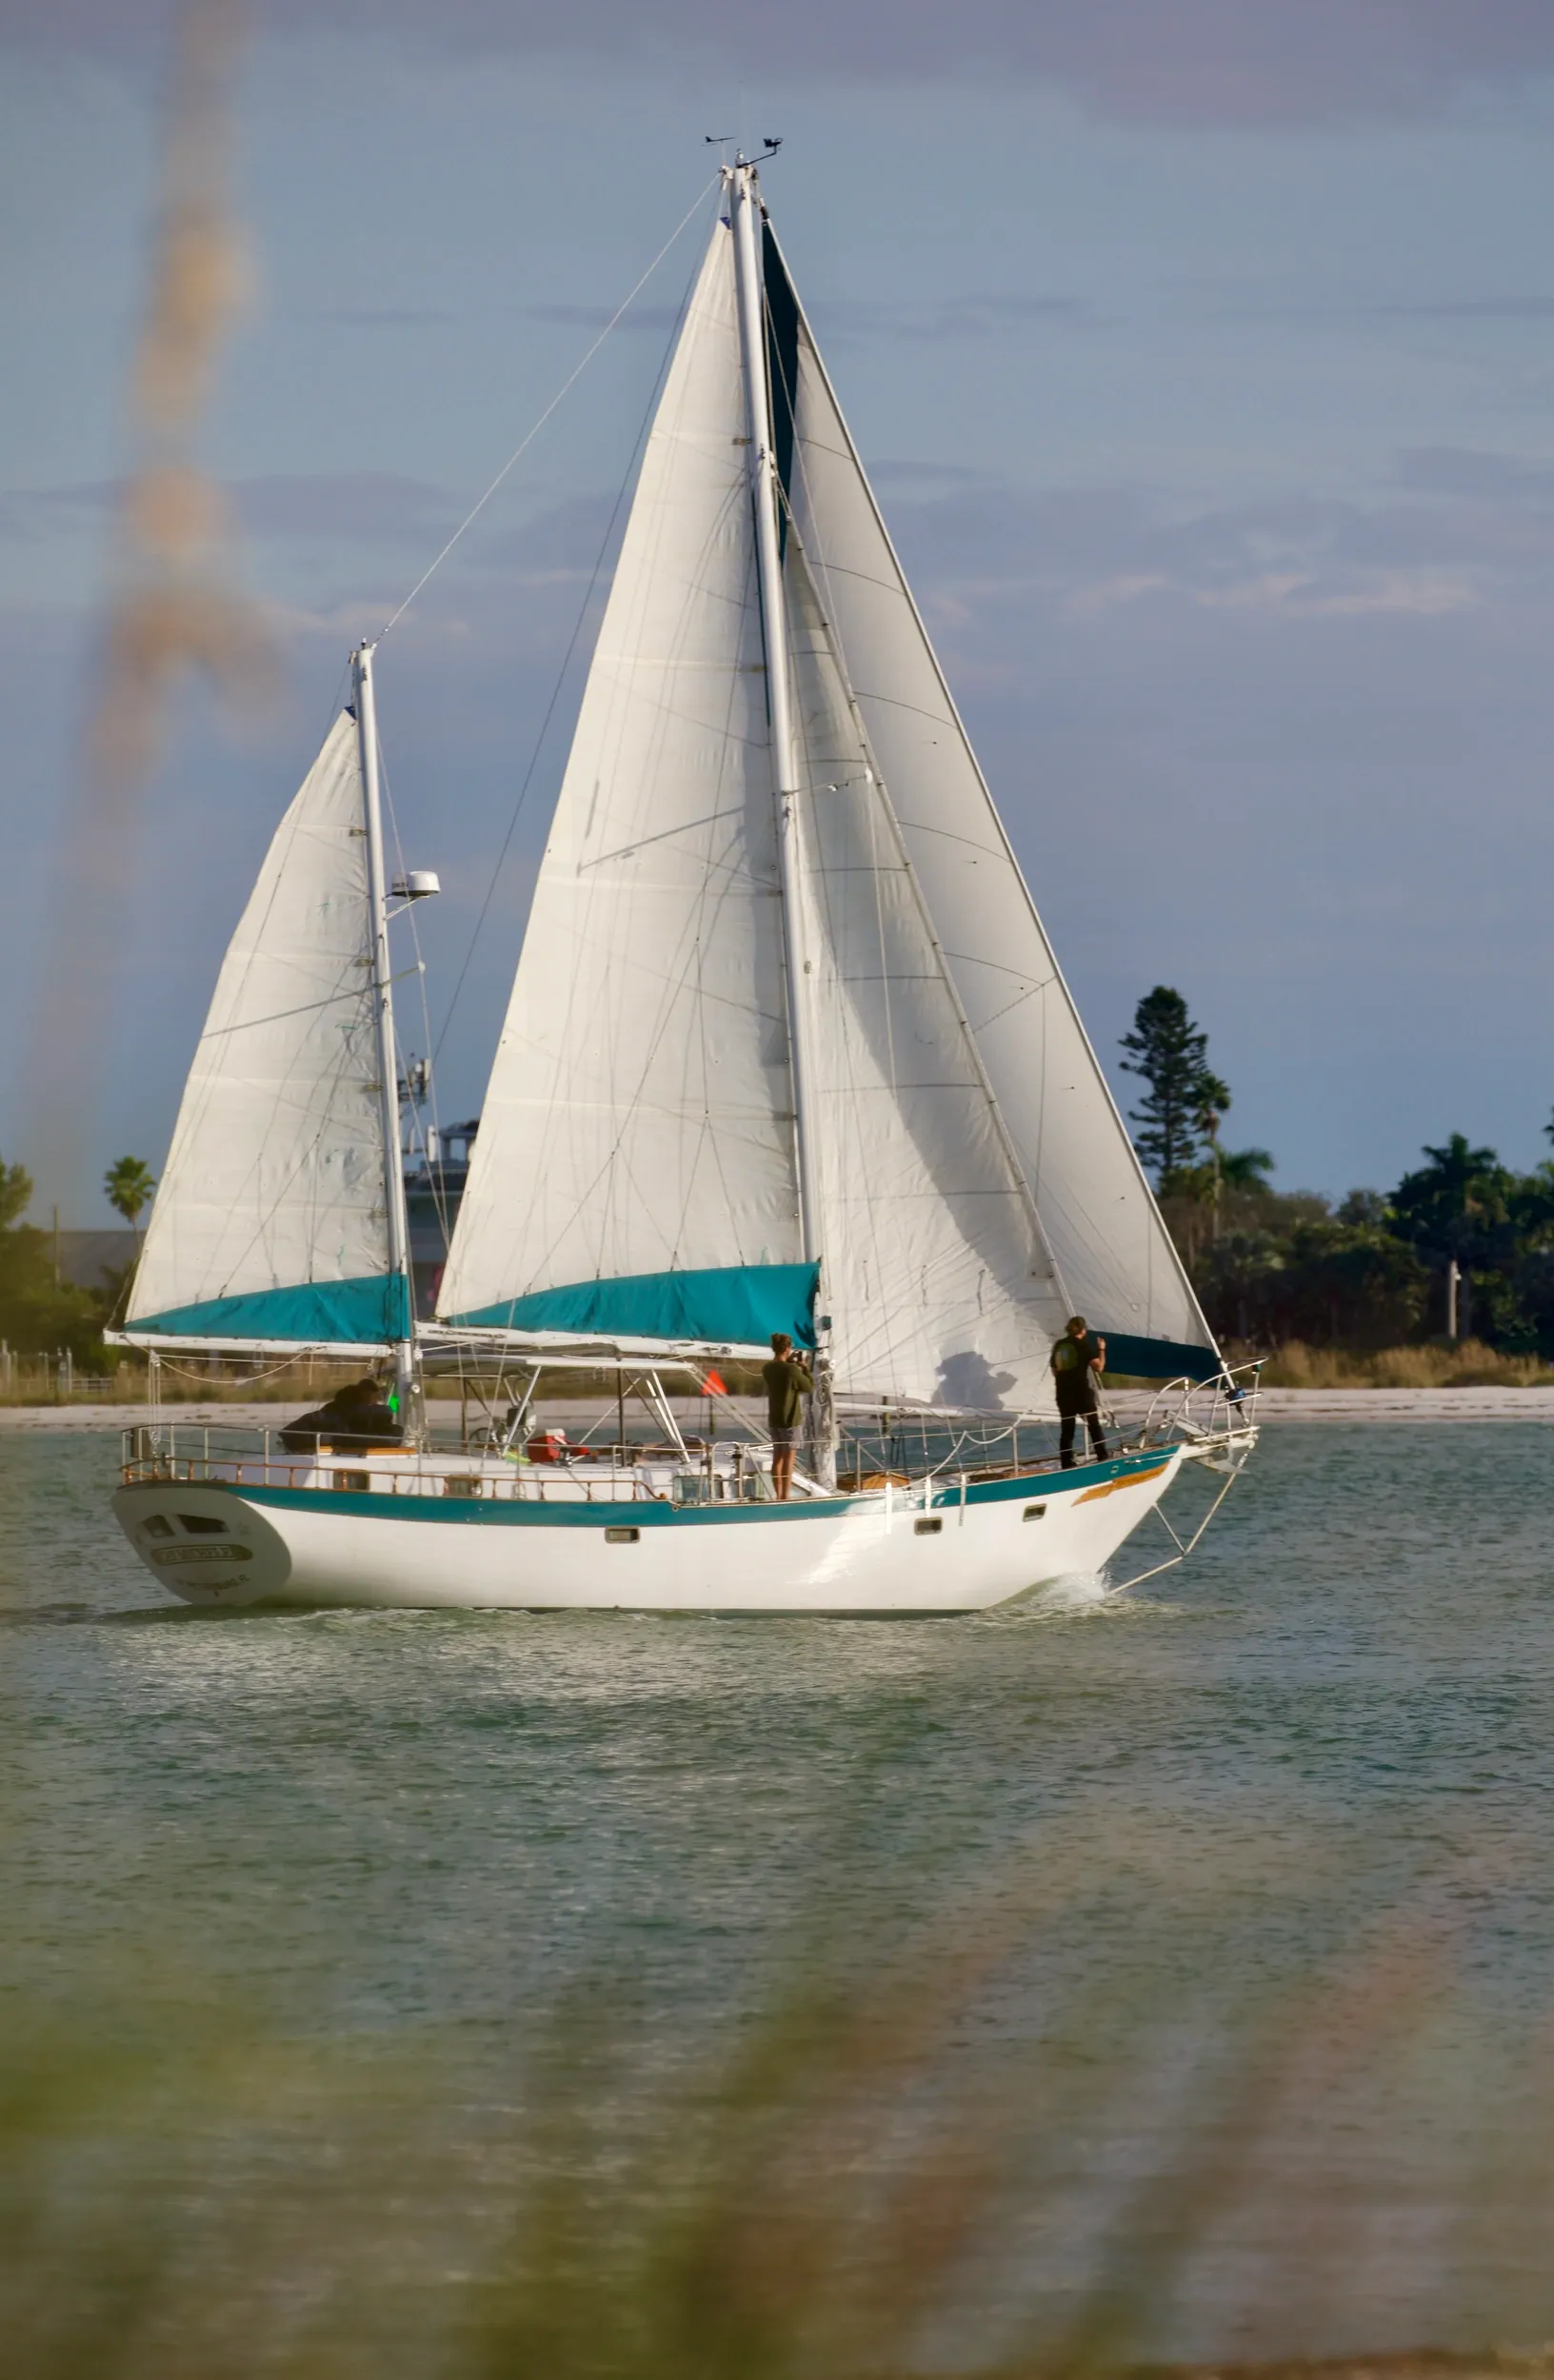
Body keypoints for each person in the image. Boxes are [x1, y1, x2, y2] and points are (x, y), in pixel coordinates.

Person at [280, 1376, 403, 1454]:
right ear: (366, 1394)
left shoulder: (334, 1408)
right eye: (375, 1396)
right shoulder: (353, 1412)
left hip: (297, 1435)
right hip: (306, 1436)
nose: (377, 1400)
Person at [1049, 1316, 1108, 1469]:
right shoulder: (1084, 1345)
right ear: (1083, 1329)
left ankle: (1066, 1463)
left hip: (1062, 1394)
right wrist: (1101, 1348)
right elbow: (1099, 1367)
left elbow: (1055, 1371)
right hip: (1081, 1393)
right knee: (1093, 1426)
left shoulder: (1059, 1345)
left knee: (1067, 1430)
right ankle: (1103, 1457)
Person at [761, 1332, 812, 1501]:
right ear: (788, 1348)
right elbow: (808, 1386)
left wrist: (790, 1364)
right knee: (789, 1460)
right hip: (790, 1419)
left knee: (778, 1457)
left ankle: (778, 1495)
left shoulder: (767, 1368)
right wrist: (804, 1368)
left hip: (775, 1418)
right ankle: (786, 1496)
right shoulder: (792, 1370)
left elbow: (781, 1375)